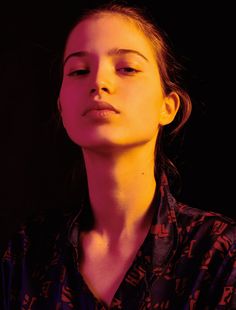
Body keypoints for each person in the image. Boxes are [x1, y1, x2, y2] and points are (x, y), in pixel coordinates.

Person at [1, 2, 236, 309]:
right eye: (79, 71)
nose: (99, 82)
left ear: (168, 107)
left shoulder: (220, 252)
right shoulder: (26, 253)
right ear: (61, 107)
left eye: (127, 68)